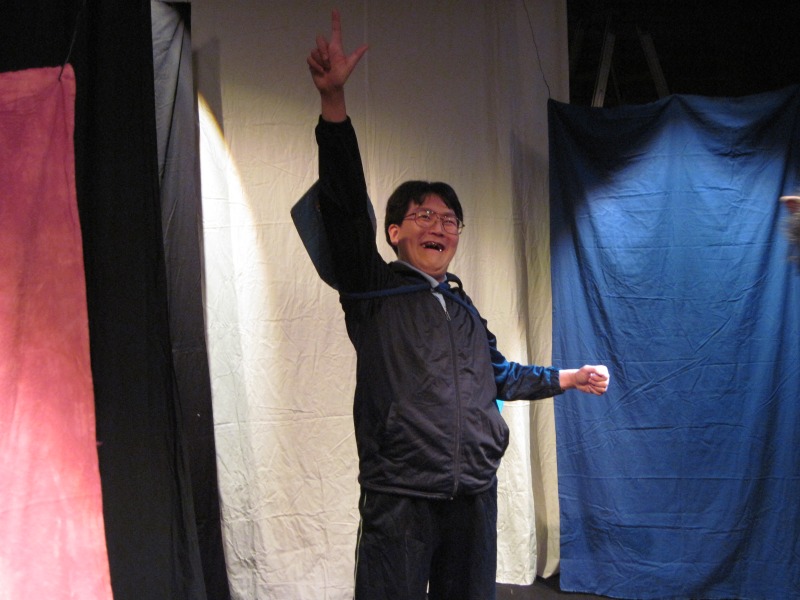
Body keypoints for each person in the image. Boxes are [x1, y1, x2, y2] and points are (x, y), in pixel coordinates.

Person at [306, 10, 610, 600]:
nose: (438, 225)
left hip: (472, 492)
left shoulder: (464, 309)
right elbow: (343, 212)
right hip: (401, 495)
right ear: (394, 231)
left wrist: (568, 377)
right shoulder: (373, 290)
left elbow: (501, 376)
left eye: (449, 219)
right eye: (423, 214)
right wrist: (334, 105)